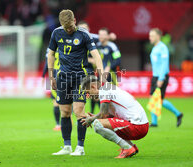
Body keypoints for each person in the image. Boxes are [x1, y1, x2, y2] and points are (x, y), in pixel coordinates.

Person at [47, 9, 104, 156]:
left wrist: (101, 74)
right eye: (66, 28)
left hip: (81, 77)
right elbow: (51, 54)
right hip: (63, 77)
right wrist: (51, 75)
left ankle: (80, 147)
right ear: (61, 24)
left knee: (79, 111)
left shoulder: (84, 34)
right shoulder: (56, 33)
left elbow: (96, 55)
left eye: (71, 26)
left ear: (75, 20)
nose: (69, 29)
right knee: (65, 112)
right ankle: (67, 146)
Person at [80, 75, 149, 159]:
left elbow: (103, 114)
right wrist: (95, 117)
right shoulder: (109, 88)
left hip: (137, 126)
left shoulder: (104, 90)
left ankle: (127, 148)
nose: (88, 96)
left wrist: (91, 119)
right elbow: (107, 116)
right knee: (100, 122)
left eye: (87, 93)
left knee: (97, 125)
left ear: (93, 86)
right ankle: (131, 146)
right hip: (141, 125)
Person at [148, 28, 183, 127]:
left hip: (161, 76)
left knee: (158, 99)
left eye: (152, 36)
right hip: (155, 76)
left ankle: (178, 114)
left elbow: (164, 64)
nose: (150, 38)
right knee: (153, 98)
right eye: (150, 36)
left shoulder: (162, 48)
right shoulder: (155, 48)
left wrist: (161, 78)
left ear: (158, 36)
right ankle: (155, 122)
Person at [42, 48, 61, 131]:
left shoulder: (50, 49)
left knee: (56, 102)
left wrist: (43, 76)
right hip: (64, 76)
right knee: (65, 100)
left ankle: (58, 124)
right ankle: (62, 123)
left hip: (54, 77)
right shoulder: (65, 44)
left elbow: (47, 63)